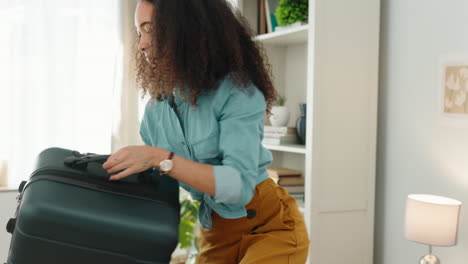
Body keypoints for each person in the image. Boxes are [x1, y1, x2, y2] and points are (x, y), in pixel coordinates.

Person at [102, 0, 310, 263]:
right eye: (139, 33)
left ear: (186, 30)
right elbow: (158, 187)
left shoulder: (237, 93)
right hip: (216, 232)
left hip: (268, 225)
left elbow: (239, 186)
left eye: (150, 29)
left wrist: (159, 158)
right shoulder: (155, 114)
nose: (142, 44)